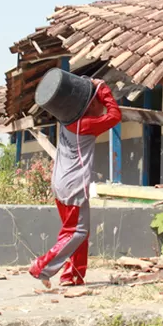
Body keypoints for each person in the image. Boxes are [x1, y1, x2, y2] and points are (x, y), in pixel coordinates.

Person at [29, 78, 121, 288]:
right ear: (88, 106)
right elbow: (115, 115)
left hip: (61, 182)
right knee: (77, 232)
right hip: (74, 185)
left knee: (74, 231)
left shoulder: (67, 120)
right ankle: (42, 267)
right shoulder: (85, 124)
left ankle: (73, 276)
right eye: (96, 102)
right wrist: (103, 89)